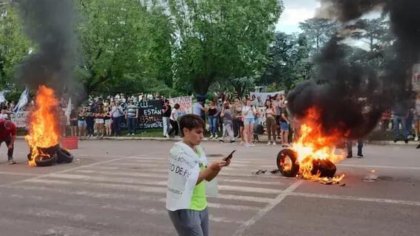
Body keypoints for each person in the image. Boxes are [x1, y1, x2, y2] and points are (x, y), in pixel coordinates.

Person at [166, 114, 230, 236]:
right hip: (184, 207)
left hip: (201, 205)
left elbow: (208, 177)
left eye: (203, 132)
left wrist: (219, 167)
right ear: (186, 131)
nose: (202, 136)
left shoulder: (198, 150)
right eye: (198, 132)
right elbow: (192, 181)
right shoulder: (179, 152)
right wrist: (212, 167)